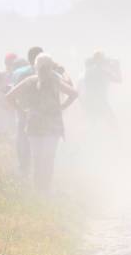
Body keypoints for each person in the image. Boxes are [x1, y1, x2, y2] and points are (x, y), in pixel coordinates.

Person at [6, 53, 79, 192]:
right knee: (47, 158)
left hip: (35, 125)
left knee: (38, 158)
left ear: (36, 67)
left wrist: (21, 110)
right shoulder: (54, 80)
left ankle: (39, 191)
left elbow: (9, 97)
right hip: (51, 125)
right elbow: (74, 94)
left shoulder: (30, 81)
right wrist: (61, 107)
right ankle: (45, 190)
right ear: (50, 67)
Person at [10, 46, 44, 177]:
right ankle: (38, 172)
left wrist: (20, 109)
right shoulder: (50, 72)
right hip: (41, 114)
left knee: (23, 142)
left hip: (24, 113)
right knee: (40, 143)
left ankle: (24, 170)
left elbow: (12, 92)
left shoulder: (19, 73)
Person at [80, 50, 122, 128]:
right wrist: (117, 67)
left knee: (93, 123)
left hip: (89, 100)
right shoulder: (102, 71)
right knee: (114, 124)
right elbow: (119, 80)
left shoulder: (89, 70)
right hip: (101, 101)